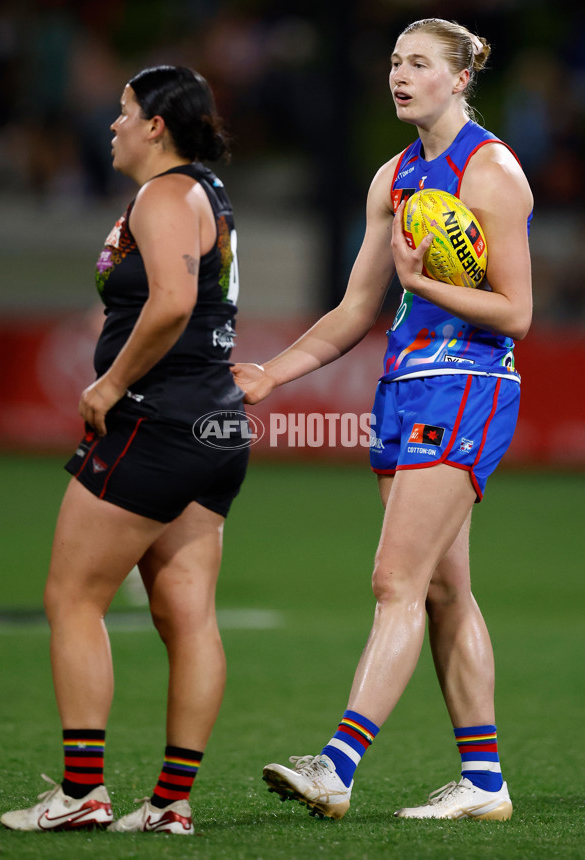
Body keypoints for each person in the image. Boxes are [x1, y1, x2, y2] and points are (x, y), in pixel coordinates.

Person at [232, 18, 532, 821]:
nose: (400, 75)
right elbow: (354, 309)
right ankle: (485, 781)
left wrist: (425, 285)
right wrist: (272, 373)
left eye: (420, 63)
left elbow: (517, 313)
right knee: (443, 590)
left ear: (460, 78)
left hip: (466, 384)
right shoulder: (393, 178)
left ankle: (337, 766)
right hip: (405, 384)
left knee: (394, 581)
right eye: (396, 61)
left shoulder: (492, 171)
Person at [0, 65, 248, 835]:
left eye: (124, 110)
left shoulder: (164, 195)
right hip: (215, 425)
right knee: (188, 617)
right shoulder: (208, 192)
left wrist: (109, 384)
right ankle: (171, 803)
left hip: (155, 421)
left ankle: (82, 792)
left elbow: (173, 302)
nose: (113, 124)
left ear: (156, 126)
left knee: (72, 598)